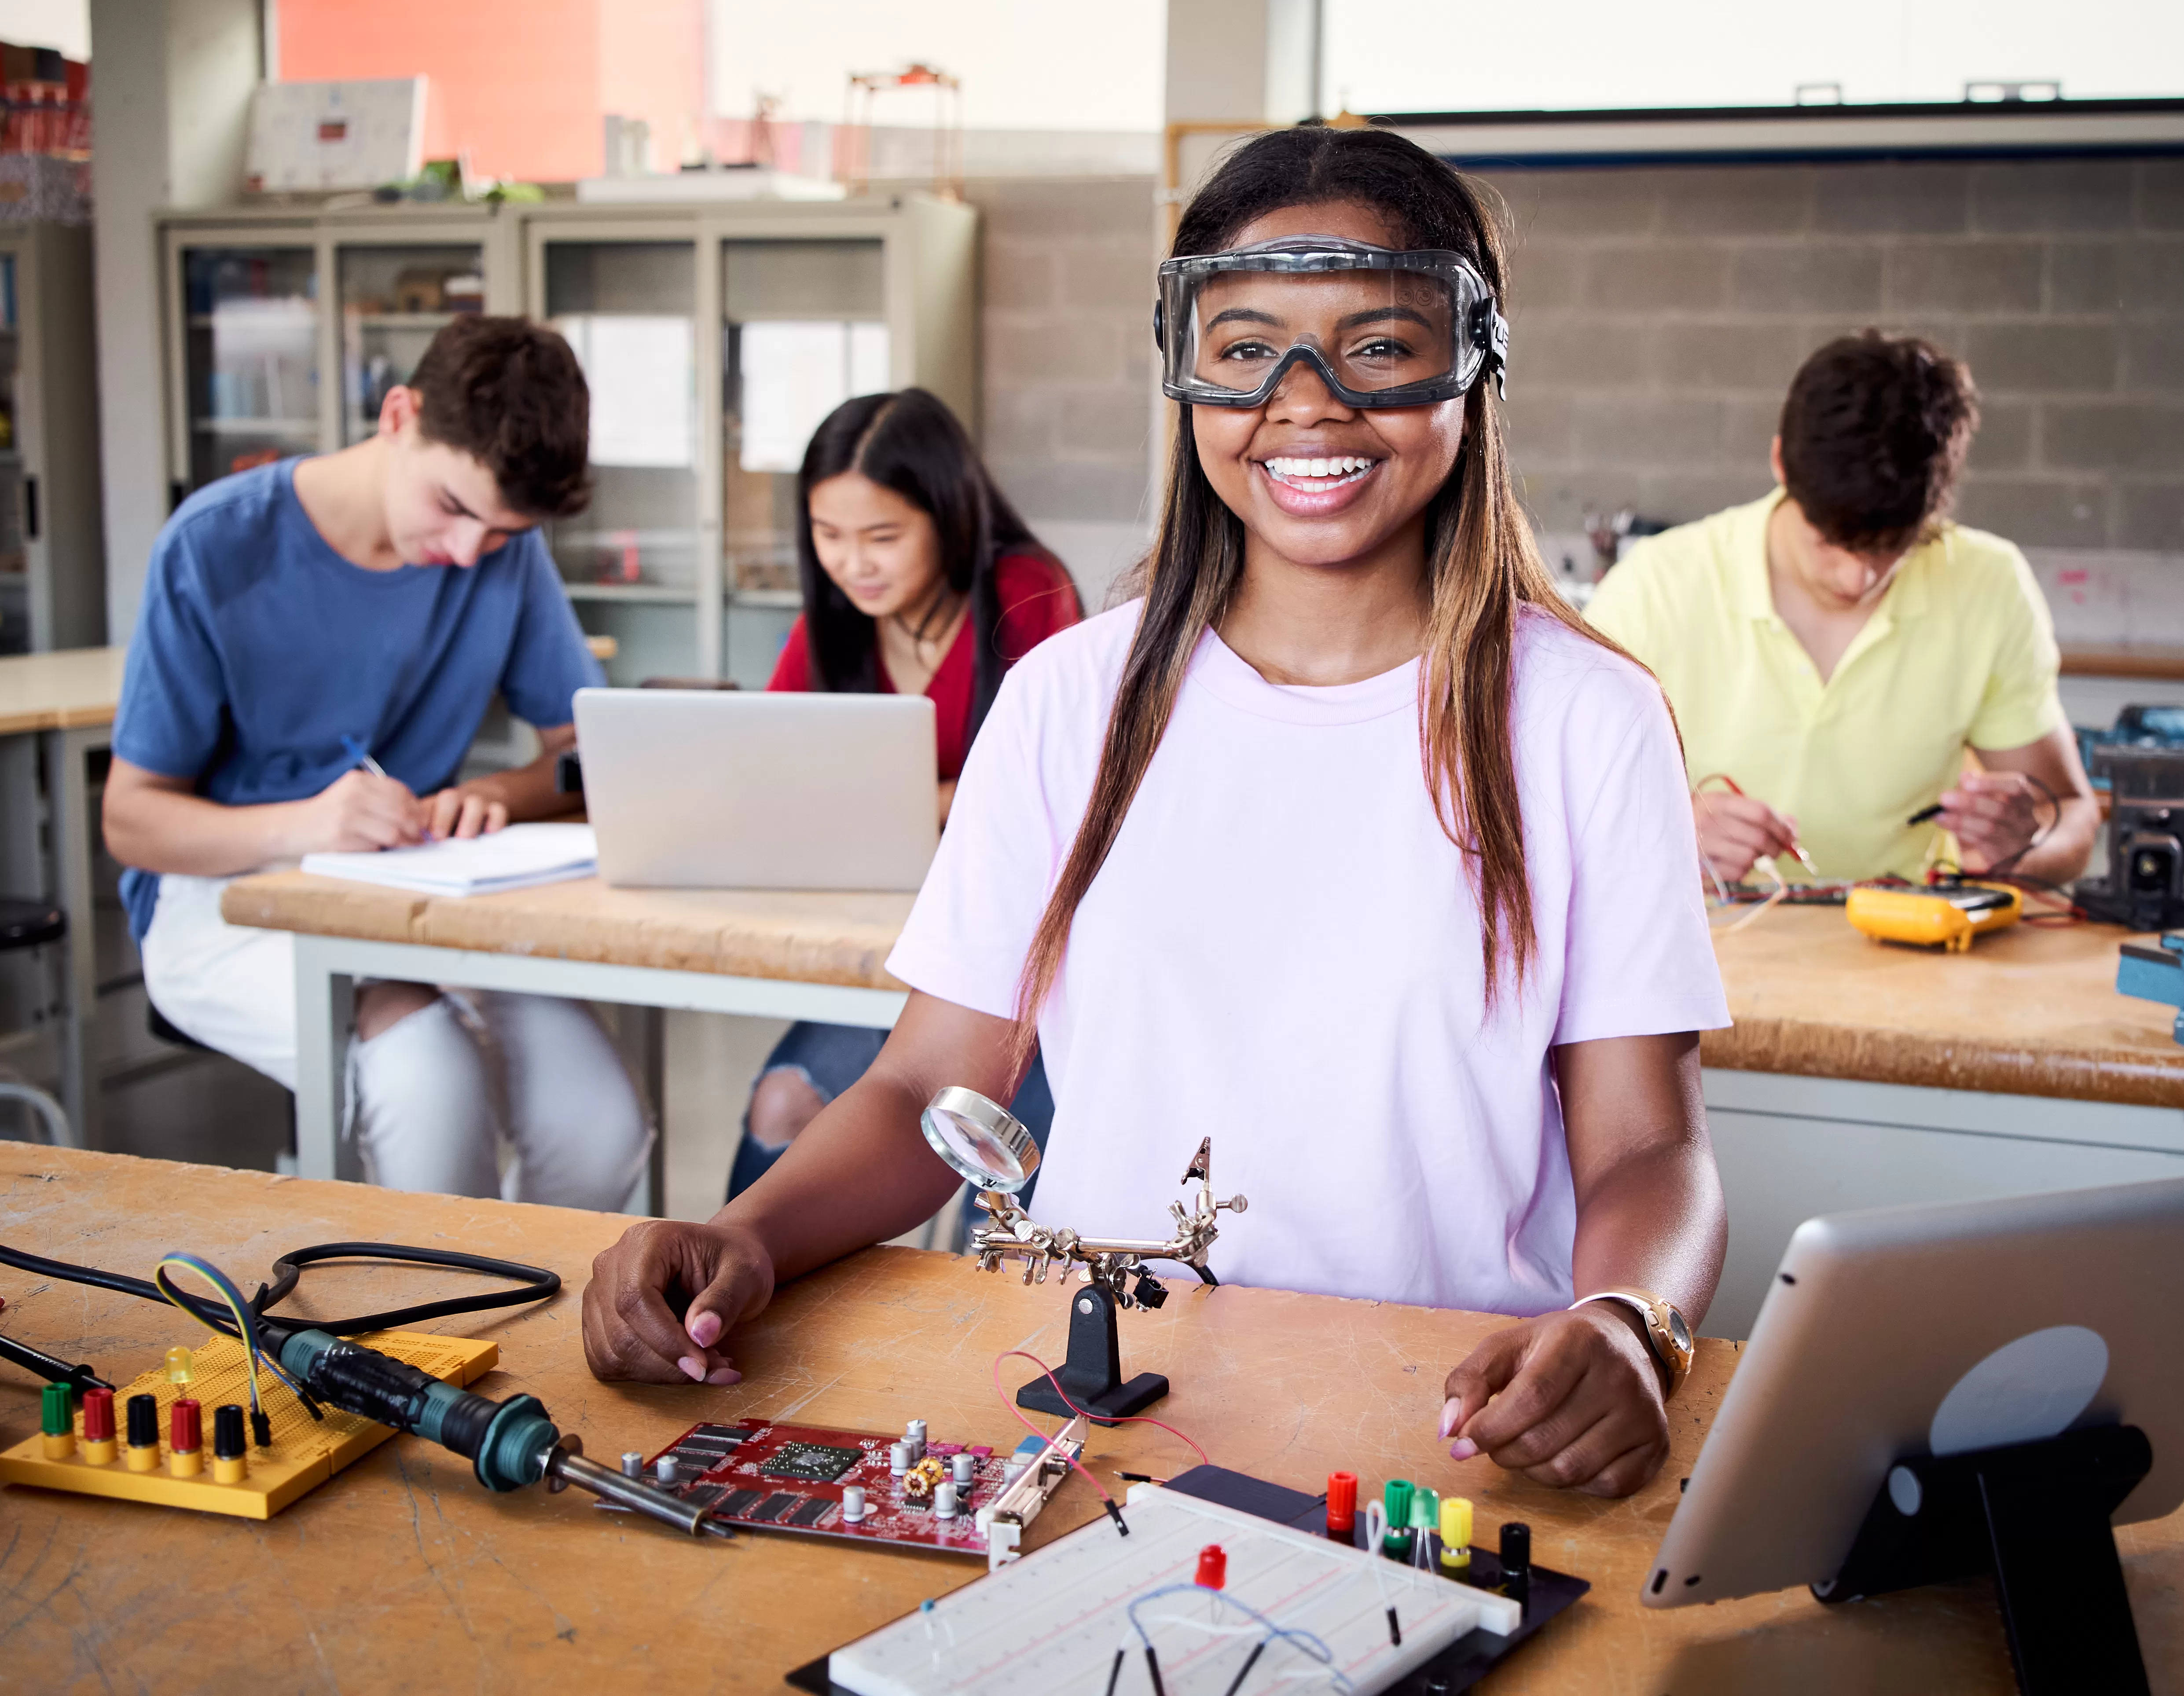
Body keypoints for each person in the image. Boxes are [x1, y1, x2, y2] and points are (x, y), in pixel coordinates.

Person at [580, 125, 1730, 1498]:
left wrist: (1625, 1322)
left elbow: (1648, 1142)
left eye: (1378, 345)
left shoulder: (1584, 717)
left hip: (1445, 1424)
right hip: (1101, 1416)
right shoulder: (1071, 699)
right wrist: (748, 1235)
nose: (1305, 402)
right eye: (1245, 349)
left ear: (1474, 358)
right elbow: (924, 1085)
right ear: (1185, 371)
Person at [102, 315, 650, 1207]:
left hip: (426, 883)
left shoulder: (502, 551)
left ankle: (547, 1321)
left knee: (599, 1122)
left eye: (504, 533)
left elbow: (587, 759)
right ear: (399, 415)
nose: (471, 552)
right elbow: (132, 819)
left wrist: (495, 795)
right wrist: (310, 823)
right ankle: (443, 1329)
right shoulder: (215, 544)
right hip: (228, 889)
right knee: (427, 1074)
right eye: (455, 509)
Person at [1586, 332, 2098, 890]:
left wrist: (2023, 846)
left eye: (1889, 548)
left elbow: (2073, 817)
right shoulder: (1655, 585)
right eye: (1829, 542)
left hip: (1901, 951)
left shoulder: (1988, 584)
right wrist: (1660, 834)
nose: (1857, 579)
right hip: (1703, 953)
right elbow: (1540, 813)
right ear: (1780, 461)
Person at [732, 388, 1082, 1199]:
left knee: (996, 1162)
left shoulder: (1024, 591)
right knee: (784, 1101)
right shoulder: (833, 618)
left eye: (883, 537)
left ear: (949, 519)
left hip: (1010, 962)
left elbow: (1052, 790)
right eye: (829, 536)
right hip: (876, 946)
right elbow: (770, 773)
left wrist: (892, 801)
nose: (854, 563)